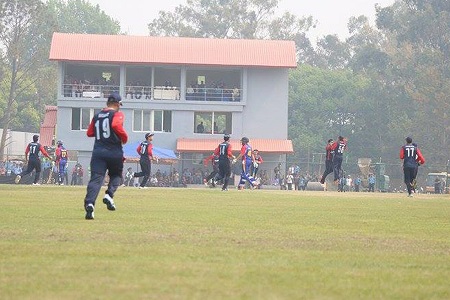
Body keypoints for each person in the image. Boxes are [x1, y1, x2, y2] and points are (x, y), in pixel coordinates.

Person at [83, 93, 128, 220]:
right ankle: (109, 194)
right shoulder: (117, 114)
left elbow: (89, 133)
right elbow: (115, 125)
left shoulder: (97, 116)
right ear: (117, 104)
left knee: (96, 179)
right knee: (116, 175)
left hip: (98, 152)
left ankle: (90, 204)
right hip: (114, 151)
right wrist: (124, 137)